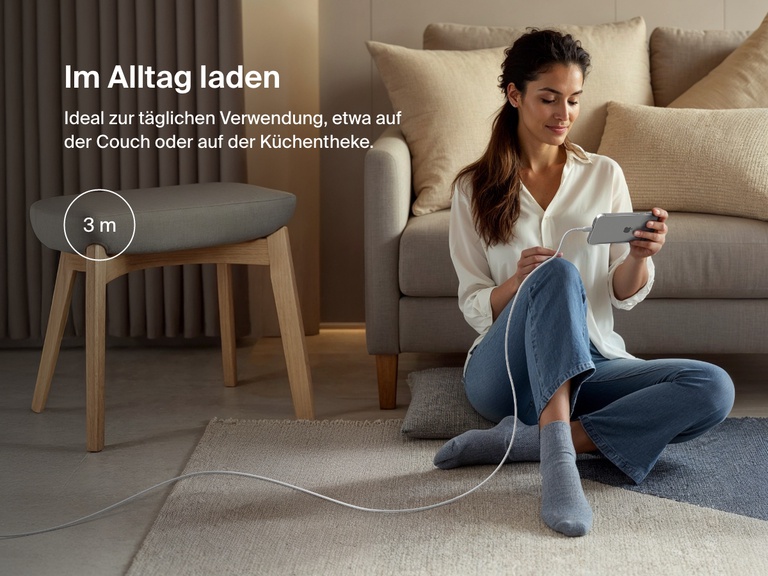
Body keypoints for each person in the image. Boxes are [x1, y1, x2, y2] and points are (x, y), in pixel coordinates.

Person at [434, 29, 735, 537]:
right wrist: (520, 282)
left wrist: (639, 256)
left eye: (573, 100)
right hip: (505, 373)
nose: (564, 114)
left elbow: (621, 291)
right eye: (549, 98)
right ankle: (559, 468)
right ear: (515, 95)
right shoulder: (472, 187)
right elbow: (473, 303)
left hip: (593, 363)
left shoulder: (603, 174)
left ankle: (537, 442)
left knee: (712, 388)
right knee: (555, 271)